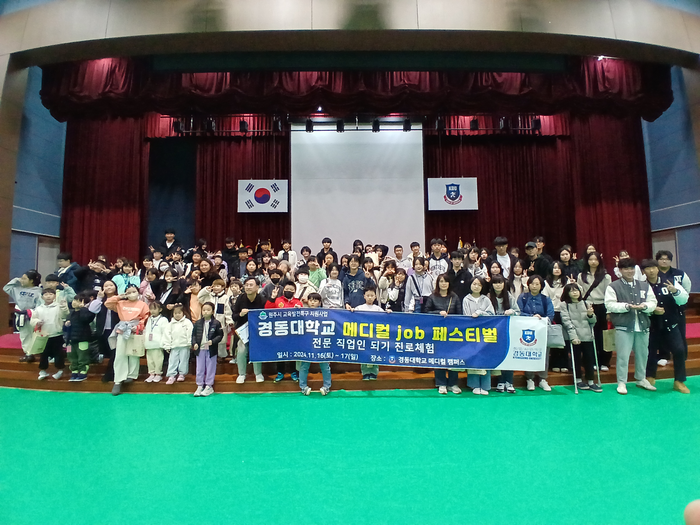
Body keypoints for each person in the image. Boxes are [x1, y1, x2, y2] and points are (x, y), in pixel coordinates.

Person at [604, 258, 657, 395]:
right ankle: (622, 382)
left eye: (632, 268)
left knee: (643, 354)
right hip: (623, 326)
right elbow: (609, 304)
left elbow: (653, 302)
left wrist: (645, 306)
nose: (629, 271)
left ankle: (641, 378)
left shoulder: (644, 285)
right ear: (620, 270)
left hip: (643, 325)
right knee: (623, 356)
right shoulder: (613, 286)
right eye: (626, 269)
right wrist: (627, 306)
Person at [641, 259, 690, 394]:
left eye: (653, 267)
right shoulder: (641, 286)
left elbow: (684, 300)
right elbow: (639, 304)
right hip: (651, 325)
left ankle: (679, 381)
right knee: (650, 352)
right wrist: (652, 310)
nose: (651, 271)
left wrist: (675, 291)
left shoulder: (670, 281)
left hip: (670, 323)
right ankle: (650, 377)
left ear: (657, 268)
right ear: (643, 271)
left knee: (679, 350)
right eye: (648, 268)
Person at [105, 285, 150, 396]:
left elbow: (145, 317)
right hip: (123, 328)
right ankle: (118, 380)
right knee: (120, 354)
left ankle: (131, 375)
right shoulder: (120, 303)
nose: (132, 294)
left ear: (138, 292)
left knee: (134, 353)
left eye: (134, 291)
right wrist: (119, 297)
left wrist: (139, 327)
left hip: (135, 329)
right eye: (129, 292)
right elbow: (108, 303)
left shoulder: (142, 304)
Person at [424, 273, 463, 394]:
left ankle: (453, 383)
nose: (444, 284)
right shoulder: (432, 297)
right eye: (441, 281)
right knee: (439, 358)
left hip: (452, 333)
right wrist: (438, 313)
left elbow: (460, 315)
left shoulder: (454, 297)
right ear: (438, 283)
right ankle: (441, 383)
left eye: (446, 281)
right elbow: (426, 313)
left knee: (453, 358)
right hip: (437, 332)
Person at [560, 283, 602, 392]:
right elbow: (566, 322)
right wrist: (573, 337)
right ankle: (578, 380)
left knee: (589, 358)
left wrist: (590, 315)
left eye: (576, 290)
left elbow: (593, 322)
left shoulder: (586, 303)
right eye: (571, 291)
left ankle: (591, 381)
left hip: (587, 336)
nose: (575, 292)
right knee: (576, 359)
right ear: (567, 293)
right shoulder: (564, 305)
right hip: (574, 337)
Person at [518, 275, 555, 392]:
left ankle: (543, 379)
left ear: (541, 286)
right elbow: (518, 312)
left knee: (544, 354)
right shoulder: (523, 297)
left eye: (537, 284)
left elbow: (550, 315)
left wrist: (541, 320)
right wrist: (531, 317)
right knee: (529, 353)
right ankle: (530, 378)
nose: (534, 286)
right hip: (526, 331)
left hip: (542, 331)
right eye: (532, 283)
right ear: (528, 285)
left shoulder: (545, 299)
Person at [656, 250, 692, 367]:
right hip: (660, 309)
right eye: (661, 259)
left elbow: (687, 288)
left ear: (671, 261)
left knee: (680, 333)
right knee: (661, 333)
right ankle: (664, 355)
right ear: (657, 260)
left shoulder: (679, 274)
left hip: (677, 308)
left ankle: (682, 356)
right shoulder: (654, 273)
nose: (664, 261)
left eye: (667, 259)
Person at [577, 251, 612, 372]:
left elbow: (609, 294)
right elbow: (580, 293)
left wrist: (608, 311)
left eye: (595, 259)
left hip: (602, 306)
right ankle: (590, 361)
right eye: (590, 259)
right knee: (589, 335)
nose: (593, 262)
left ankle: (604, 361)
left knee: (602, 335)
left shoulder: (606, 276)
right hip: (587, 306)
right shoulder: (581, 276)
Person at [462, 277, 495, 395]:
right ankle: (474, 385)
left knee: (485, 357)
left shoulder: (486, 299)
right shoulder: (466, 299)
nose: (476, 286)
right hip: (472, 333)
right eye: (474, 284)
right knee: (473, 357)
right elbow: (466, 315)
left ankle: (485, 385)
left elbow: (492, 314)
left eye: (479, 285)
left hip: (485, 333)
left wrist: (480, 313)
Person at [488, 275, 520, 393]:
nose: (498, 285)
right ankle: (500, 381)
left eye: (500, 283)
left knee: (509, 355)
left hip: (507, 331)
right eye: (495, 283)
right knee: (499, 356)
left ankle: (509, 381)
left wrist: (512, 312)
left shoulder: (509, 297)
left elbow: (518, 312)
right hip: (493, 332)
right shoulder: (488, 297)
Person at [231, 277, 266, 383]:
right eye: (246, 285)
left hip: (258, 330)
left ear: (257, 287)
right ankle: (241, 374)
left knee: (256, 349)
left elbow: (267, 315)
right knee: (241, 350)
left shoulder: (262, 299)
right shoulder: (240, 299)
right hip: (243, 330)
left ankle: (258, 373)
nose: (248, 287)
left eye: (251, 285)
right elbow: (234, 316)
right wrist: (241, 314)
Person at [266, 281, 304, 382]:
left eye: (291, 290)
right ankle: (280, 372)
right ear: (283, 291)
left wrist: (300, 310)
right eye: (287, 289)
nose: (289, 291)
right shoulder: (278, 300)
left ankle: (293, 372)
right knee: (280, 352)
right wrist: (272, 298)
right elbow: (267, 310)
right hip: (280, 331)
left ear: (294, 291)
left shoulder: (298, 302)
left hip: (293, 332)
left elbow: (302, 316)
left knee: (293, 352)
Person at [31, 288, 70, 380]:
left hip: (57, 334)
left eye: (51, 294)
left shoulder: (58, 307)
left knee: (58, 353)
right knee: (43, 353)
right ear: (42, 297)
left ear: (55, 296)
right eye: (46, 294)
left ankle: (60, 370)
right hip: (43, 335)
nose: (48, 296)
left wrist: (64, 306)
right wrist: (37, 322)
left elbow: (65, 314)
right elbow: (33, 320)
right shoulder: (39, 308)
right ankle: (43, 371)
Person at [4, 270, 43, 362]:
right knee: (24, 335)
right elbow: (6, 288)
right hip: (21, 316)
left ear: (31, 281)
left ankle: (37, 352)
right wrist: (16, 280)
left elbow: (40, 304)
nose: (22, 280)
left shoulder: (39, 291)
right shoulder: (18, 289)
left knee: (36, 335)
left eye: (24, 278)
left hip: (33, 315)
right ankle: (28, 354)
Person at [298, 292, 332, 396]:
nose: (313, 302)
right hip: (307, 344)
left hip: (321, 344)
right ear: (307, 301)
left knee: (325, 366)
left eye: (315, 300)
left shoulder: (326, 313)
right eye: (311, 300)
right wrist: (296, 311)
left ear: (320, 302)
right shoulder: (303, 312)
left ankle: (327, 386)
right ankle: (303, 387)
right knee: (304, 366)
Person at [88, 280, 120, 383]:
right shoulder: (100, 300)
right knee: (107, 353)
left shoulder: (119, 299)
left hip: (116, 331)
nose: (109, 287)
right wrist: (99, 298)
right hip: (103, 331)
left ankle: (110, 374)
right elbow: (92, 310)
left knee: (115, 353)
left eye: (111, 285)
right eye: (106, 286)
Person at [192, 302, 223, 397]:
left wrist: (212, 341)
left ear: (212, 311)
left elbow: (220, 335)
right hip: (200, 349)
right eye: (204, 310)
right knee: (200, 368)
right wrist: (194, 343)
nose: (205, 312)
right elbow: (193, 335)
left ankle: (209, 386)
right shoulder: (198, 323)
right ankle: (200, 385)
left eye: (208, 310)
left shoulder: (216, 323)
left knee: (210, 367)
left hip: (211, 349)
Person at [354, 284, 385, 380]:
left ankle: (374, 373)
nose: (370, 297)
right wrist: (351, 311)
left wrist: (388, 312)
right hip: (363, 335)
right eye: (368, 295)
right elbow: (352, 317)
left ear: (375, 296)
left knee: (374, 353)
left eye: (372, 295)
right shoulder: (359, 308)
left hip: (375, 336)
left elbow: (385, 318)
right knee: (364, 353)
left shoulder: (378, 309)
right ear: (364, 296)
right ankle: (365, 373)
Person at [543, 261, 569, 373]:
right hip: (552, 312)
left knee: (564, 338)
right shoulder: (546, 283)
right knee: (554, 338)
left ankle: (564, 363)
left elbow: (573, 294)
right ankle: (554, 363)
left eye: (558, 268)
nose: (556, 270)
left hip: (564, 311)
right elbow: (545, 297)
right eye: (554, 268)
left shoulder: (567, 281)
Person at [66, 291, 96, 382]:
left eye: (78, 301)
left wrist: (83, 308)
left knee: (83, 357)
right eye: (74, 300)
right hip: (70, 340)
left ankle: (83, 373)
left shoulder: (87, 313)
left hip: (82, 339)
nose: (75, 302)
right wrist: (66, 325)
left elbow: (86, 319)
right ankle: (74, 372)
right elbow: (65, 328)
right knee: (71, 357)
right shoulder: (70, 313)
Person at [198, 279, 230, 359]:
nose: (216, 288)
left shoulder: (225, 298)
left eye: (218, 286)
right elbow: (199, 298)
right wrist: (205, 290)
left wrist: (229, 321)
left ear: (223, 287)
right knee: (207, 337)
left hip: (220, 322)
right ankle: (207, 354)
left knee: (221, 340)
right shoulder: (208, 296)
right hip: (208, 321)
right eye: (214, 286)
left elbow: (227, 310)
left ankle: (222, 356)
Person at [163, 304, 194, 385]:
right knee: (172, 361)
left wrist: (190, 343)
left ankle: (182, 374)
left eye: (179, 313)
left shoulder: (187, 322)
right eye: (175, 313)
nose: (177, 315)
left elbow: (190, 333)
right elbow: (167, 335)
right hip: (174, 346)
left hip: (184, 346)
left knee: (183, 360)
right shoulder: (170, 324)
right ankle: (171, 375)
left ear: (183, 313)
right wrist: (167, 345)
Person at [142, 301, 167, 383]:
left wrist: (163, 343)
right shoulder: (149, 319)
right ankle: (151, 374)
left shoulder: (163, 320)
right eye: (151, 309)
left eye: (154, 309)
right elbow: (146, 330)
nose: (152, 311)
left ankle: (158, 374)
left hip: (158, 344)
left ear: (160, 309)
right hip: (149, 344)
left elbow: (165, 332)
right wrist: (144, 341)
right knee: (150, 360)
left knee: (158, 360)